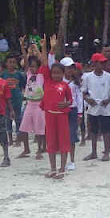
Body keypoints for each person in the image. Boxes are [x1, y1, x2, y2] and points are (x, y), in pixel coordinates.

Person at [38, 39, 73, 179]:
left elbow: (70, 100)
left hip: (62, 117)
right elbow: (46, 63)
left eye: (59, 73)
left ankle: (62, 168)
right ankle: (53, 168)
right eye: (54, 73)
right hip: (49, 116)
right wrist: (48, 48)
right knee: (51, 142)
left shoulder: (66, 86)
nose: (56, 75)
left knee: (64, 142)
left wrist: (67, 104)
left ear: (63, 74)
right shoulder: (47, 81)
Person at [82, 52, 110, 162]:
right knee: (93, 131)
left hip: (105, 107)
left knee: (106, 130)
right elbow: (84, 92)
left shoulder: (108, 76)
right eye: (99, 63)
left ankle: (106, 152)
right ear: (94, 63)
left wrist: (108, 100)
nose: (101, 65)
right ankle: (94, 152)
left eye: (103, 63)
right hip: (93, 107)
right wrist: (88, 99)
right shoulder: (88, 77)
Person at [18, 51, 46, 159]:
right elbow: (25, 62)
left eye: (34, 66)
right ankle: (26, 149)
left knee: (39, 129)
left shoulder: (41, 75)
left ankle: (39, 150)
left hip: (39, 103)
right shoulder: (29, 74)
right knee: (23, 128)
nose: (32, 68)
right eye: (31, 66)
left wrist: (39, 50)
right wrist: (23, 49)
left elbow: (43, 61)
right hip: (29, 103)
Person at [1, 54, 26, 147]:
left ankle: (18, 139)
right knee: (7, 120)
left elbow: (23, 85)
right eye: (9, 62)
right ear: (6, 63)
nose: (12, 64)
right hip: (7, 100)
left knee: (18, 119)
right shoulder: (3, 74)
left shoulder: (19, 74)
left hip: (17, 100)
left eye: (14, 62)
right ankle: (10, 139)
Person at [65, 58, 82, 171]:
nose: (70, 70)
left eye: (72, 68)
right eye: (68, 68)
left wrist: (80, 113)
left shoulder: (76, 83)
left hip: (73, 110)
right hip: (62, 111)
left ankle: (72, 160)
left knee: (72, 135)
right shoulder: (59, 80)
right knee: (63, 135)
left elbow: (79, 98)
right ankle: (63, 159)